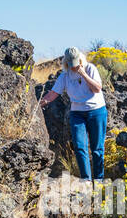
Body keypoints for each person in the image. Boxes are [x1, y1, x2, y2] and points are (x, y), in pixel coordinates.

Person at [41, 47, 107, 180]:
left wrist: (83, 74)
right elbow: (54, 93)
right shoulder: (64, 76)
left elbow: (97, 88)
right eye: (71, 64)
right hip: (77, 113)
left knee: (97, 148)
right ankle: (86, 180)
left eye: (76, 63)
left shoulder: (90, 69)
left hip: (97, 111)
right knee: (79, 146)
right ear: (66, 63)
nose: (74, 66)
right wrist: (40, 103)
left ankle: (99, 181)